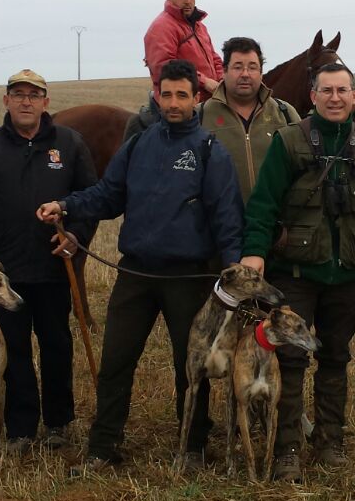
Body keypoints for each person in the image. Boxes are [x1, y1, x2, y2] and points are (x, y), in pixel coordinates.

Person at [38, 60, 244, 474]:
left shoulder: (209, 150)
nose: (173, 102)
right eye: (165, 94)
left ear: (196, 98)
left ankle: (193, 446)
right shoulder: (139, 144)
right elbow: (108, 195)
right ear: (157, 96)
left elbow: (227, 216)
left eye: (181, 95)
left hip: (188, 276)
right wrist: (67, 205)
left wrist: (233, 269)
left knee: (190, 366)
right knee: (117, 359)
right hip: (135, 272)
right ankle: (103, 446)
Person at [240, 62, 355, 482]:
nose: (336, 98)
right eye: (327, 91)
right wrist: (255, 252)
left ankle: (330, 441)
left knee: (336, 357)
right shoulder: (289, 142)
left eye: (343, 90)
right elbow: (263, 203)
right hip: (296, 274)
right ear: (314, 95)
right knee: (290, 358)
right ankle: (285, 449)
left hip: (349, 274)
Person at [0, 69, 99, 455]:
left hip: (53, 269)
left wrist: (76, 236)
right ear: (6, 101)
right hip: (5, 278)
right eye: (18, 94)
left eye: (34, 95)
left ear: (46, 102)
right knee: (13, 351)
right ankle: (20, 429)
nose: (26, 102)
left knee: (56, 345)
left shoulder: (69, 144)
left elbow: (89, 200)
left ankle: (58, 424)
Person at [200, 36, 300, 200]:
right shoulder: (201, 116)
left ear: (261, 72)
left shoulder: (285, 114)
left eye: (252, 67)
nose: (245, 74)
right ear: (224, 71)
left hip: (273, 222)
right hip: (220, 223)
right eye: (237, 67)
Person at [143, 0, 225, 102]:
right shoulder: (161, 27)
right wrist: (204, 81)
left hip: (209, 100)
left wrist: (222, 80)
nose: (187, 1)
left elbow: (214, 57)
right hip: (179, 103)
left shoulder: (199, 26)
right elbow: (164, 67)